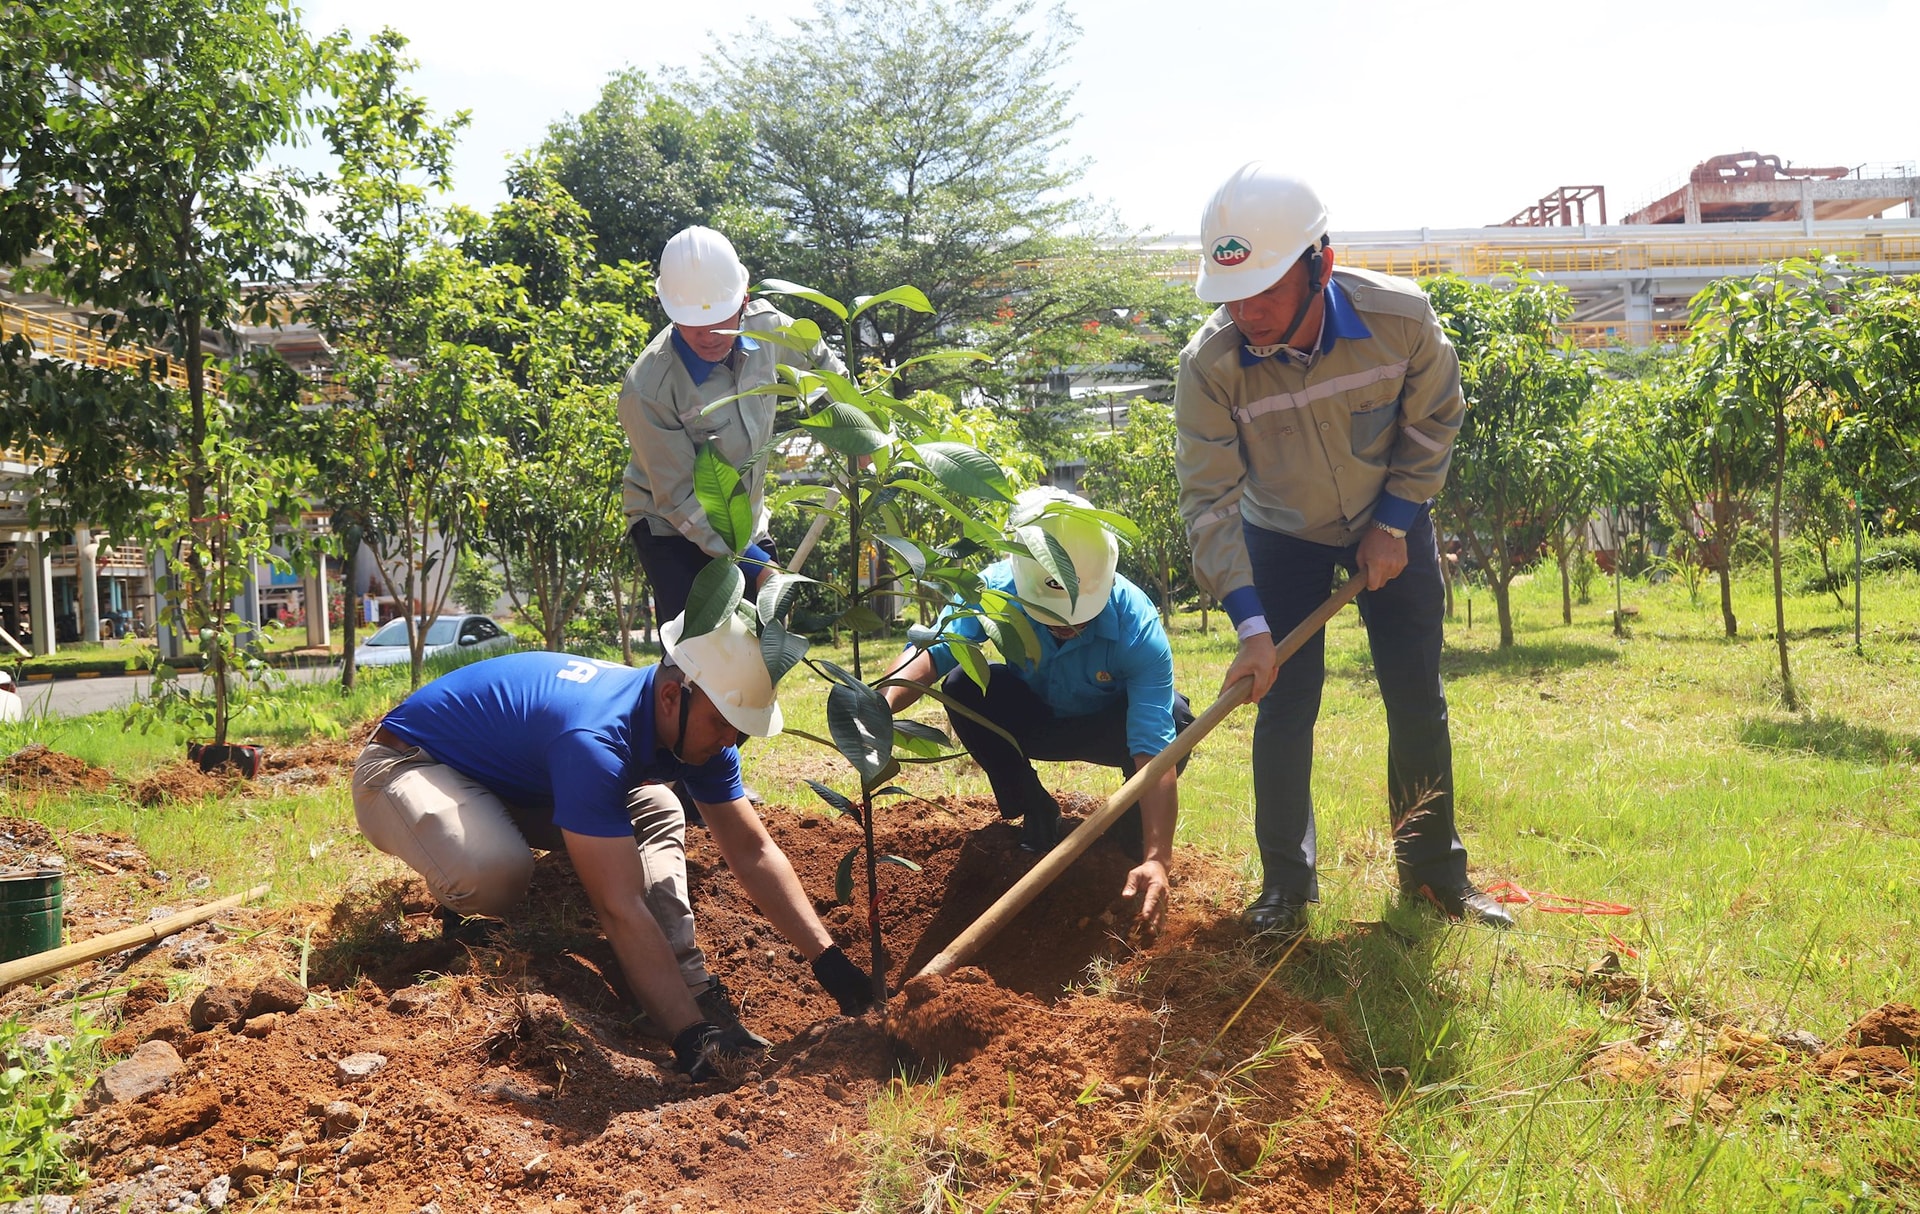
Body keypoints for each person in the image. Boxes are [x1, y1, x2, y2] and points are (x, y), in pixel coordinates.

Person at [1172, 162, 1512, 939]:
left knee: (1415, 697)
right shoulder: (1210, 367)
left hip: (1390, 522)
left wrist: (1393, 523)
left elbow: (1435, 421)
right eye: (1231, 294)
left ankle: (1433, 875)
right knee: (1284, 705)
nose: (1245, 311)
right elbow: (1211, 504)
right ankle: (1285, 891)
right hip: (1279, 533)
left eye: (1264, 288)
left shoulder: (1400, 318)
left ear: (1319, 265)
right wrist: (1252, 629)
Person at [350, 613, 874, 1080]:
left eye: (740, 733)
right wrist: (689, 1035)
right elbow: (618, 906)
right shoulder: (595, 739)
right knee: (495, 872)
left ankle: (686, 981)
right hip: (405, 767)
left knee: (660, 806)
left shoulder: (703, 727)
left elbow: (752, 851)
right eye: (722, 725)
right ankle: (464, 907)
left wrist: (829, 962)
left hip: (515, 783)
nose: (728, 743)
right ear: (672, 696)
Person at [879, 489, 1194, 937]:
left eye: (1081, 613)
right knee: (964, 685)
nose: (1069, 625)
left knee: (1179, 720)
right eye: (1054, 616)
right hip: (1034, 719)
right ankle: (1037, 810)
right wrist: (883, 703)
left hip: (1109, 727)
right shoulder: (995, 590)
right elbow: (935, 649)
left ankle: (1128, 843)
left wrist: (1159, 858)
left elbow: (1153, 746)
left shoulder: (1136, 625)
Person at [618, 226, 848, 621]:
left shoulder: (769, 328)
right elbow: (679, 497)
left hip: (747, 515)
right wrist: (756, 565)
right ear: (670, 312)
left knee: (766, 632)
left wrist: (859, 429)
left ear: (744, 301)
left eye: (721, 320)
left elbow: (824, 367)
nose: (709, 337)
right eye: (694, 325)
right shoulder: (648, 390)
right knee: (700, 653)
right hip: (671, 527)